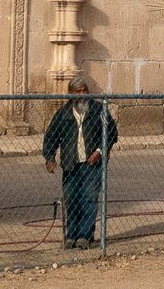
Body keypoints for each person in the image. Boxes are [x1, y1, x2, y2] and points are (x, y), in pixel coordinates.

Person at [40, 90, 118, 248]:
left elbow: (111, 133)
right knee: (71, 199)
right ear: (71, 94)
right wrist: (49, 157)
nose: (82, 95)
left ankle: (85, 236)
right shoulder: (63, 113)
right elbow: (51, 136)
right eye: (78, 92)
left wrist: (99, 151)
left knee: (89, 199)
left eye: (84, 91)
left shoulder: (98, 110)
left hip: (92, 165)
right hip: (71, 164)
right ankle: (72, 235)